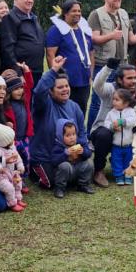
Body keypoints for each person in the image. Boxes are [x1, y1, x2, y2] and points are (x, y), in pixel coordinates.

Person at [28, 56, 94, 196]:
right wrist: (53, 71)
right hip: (45, 157)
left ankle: (74, 179)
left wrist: (83, 150)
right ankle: (38, 173)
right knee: (51, 182)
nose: (65, 89)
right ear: (50, 91)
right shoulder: (44, 105)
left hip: (69, 157)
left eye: (66, 86)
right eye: (60, 87)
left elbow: (81, 133)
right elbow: (39, 92)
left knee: (86, 166)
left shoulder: (74, 107)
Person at [87, 0, 136, 126]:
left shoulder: (124, 14)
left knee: (121, 101)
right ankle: (92, 135)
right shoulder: (96, 15)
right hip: (104, 66)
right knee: (98, 103)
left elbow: (130, 39)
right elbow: (93, 38)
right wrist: (111, 36)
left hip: (122, 67)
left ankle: (114, 133)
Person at [89, 60, 136, 188]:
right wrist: (108, 67)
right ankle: (98, 171)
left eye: (135, 77)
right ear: (120, 80)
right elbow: (97, 85)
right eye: (129, 78)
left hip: (128, 137)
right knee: (104, 135)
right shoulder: (110, 90)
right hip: (104, 130)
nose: (133, 81)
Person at [45, 0, 94, 116]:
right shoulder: (56, 30)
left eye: (79, 11)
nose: (77, 13)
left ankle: (79, 134)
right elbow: (50, 54)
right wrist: (55, 76)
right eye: (74, 11)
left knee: (80, 112)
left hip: (83, 81)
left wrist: (90, 74)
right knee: (65, 112)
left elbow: (91, 53)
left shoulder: (84, 30)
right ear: (65, 13)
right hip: (66, 82)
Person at [0, 0, 45, 77]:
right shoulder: (10, 18)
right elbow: (7, 49)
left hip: (37, 71)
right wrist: (18, 72)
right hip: (22, 73)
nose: (30, 0)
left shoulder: (34, 18)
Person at [3, 65, 34, 185]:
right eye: (16, 89)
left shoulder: (25, 100)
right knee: (15, 161)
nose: (20, 91)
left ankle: (23, 179)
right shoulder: (6, 106)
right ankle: (14, 181)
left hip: (25, 138)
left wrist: (27, 71)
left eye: (21, 87)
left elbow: (29, 86)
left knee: (26, 159)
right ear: (9, 92)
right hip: (14, 140)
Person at [48, 119, 93, 199]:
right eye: (68, 135)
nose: (72, 138)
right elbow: (54, 161)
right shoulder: (58, 146)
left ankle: (83, 185)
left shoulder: (80, 143)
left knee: (89, 162)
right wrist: (65, 153)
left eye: (74, 134)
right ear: (61, 136)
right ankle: (60, 188)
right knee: (64, 166)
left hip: (78, 170)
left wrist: (83, 152)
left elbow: (89, 153)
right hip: (67, 173)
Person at [102, 88, 136, 185]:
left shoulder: (130, 111)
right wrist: (112, 127)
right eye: (113, 99)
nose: (114, 101)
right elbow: (106, 123)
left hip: (128, 145)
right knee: (116, 160)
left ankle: (128, 175)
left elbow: (133, 121)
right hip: (116, 145)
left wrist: (123, 121)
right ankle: (118, 176)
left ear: (126, 103)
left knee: (128, 161)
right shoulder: (111, 113)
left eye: (117, 99)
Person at [0, 124, 26, 212]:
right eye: (12, 139)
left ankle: (18, 199)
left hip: (10, 173)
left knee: (18, 182)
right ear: (4, 141)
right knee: (9, 188)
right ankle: (12, 203)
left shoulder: (12, 147)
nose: (14, 140)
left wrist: (20, 166)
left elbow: (17, 157)